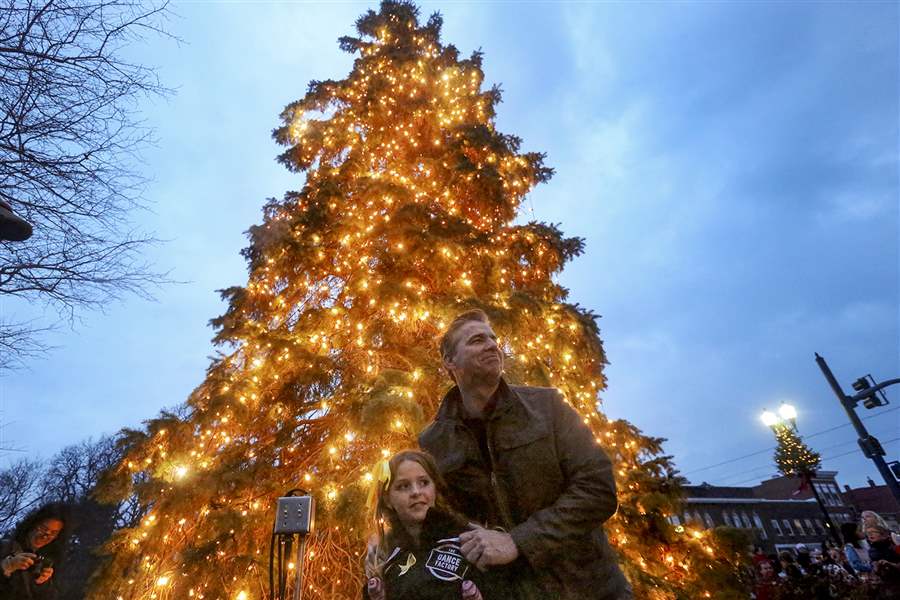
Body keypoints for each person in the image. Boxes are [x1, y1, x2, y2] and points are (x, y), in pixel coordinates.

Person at [419, 309, 632, 600]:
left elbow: (598, 489)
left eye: (493, 338)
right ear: (449, 362)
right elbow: (436, 520)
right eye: (477, 340)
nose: (492, 345)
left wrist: (519, 541)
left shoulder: (548, 407)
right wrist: (386, 551)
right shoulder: (433, 442)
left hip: (589, 589)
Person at [363, 449, 497, 600]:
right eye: (403, 486)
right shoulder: (384, 558)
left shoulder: (467, 539)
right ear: (388, 500)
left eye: (423, 483)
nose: (416, 492)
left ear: (435, 488)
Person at [0, 502, 69, 599]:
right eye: (43, 528)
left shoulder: (49, 560)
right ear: (33, 524)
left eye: (53, 533)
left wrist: (43, 583)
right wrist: (6, 567)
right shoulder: (4, 547)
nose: (45, 536)